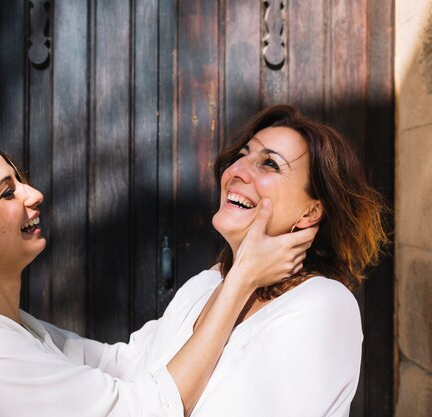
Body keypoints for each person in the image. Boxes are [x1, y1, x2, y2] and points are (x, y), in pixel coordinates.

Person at [0, 135, 317, 417]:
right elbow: (145, 410)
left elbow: (132, 362)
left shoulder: (16, 330)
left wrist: (231, 273)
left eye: (20, 178)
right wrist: (242, 281)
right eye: (7, 193)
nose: (33, 194)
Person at [118, 104, 389, 416]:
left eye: (270, 164)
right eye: (242, 155)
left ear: (310, 213)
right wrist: (45, 344)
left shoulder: (323, 304)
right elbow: (129, 363)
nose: (236, 171)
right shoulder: (207, 283)